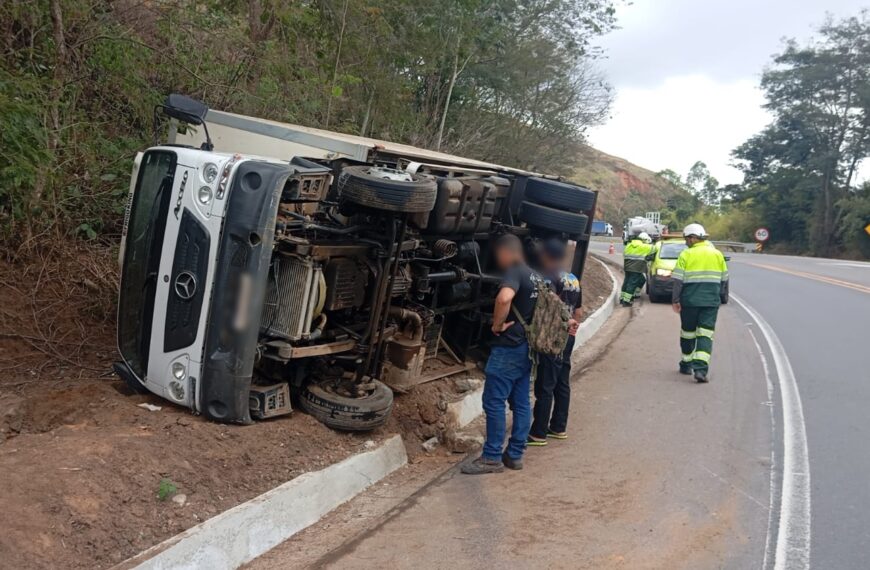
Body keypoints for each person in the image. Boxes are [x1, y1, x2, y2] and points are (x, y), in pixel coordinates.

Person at [462, 233, 541, 475]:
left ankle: (492, 457)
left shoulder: (515, 271)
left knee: (494, 401)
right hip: (528, 346)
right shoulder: (536, 276)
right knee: (521, 402)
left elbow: (504, 298)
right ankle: (515, 454)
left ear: (507, 252)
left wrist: (497, 325)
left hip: (509, 346)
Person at [528, 238, 582, 446]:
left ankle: (538, 433)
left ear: (545, 255)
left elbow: (549, 305)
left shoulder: (548, 278)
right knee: (562, 382)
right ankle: (558, 427)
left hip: (552, 337)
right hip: (569, 336)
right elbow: (578, 311)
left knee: (545, 384)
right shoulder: (573, 279)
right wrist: (572, 328)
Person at [671, 223, 728, 383]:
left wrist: (675, 299)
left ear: (692, 238)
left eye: (686, 239)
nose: (685, 242)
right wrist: (718, 297)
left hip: (689, 302)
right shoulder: (717, 254)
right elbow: (724, 280)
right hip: (710, 303)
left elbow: (678, 281)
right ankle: (701, 370)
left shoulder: (686, 254)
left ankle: (686, 365)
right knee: (705, 334)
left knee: (688, 333)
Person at [620, 232, 654, 307]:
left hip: (627, 267)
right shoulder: (645, 246)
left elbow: (624, 254)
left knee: (630, 281)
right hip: (636, 268)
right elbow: (655, 249)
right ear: (645, 240)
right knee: (632, 283)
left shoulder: (629, 244)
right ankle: (627, 301)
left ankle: (623, 298)